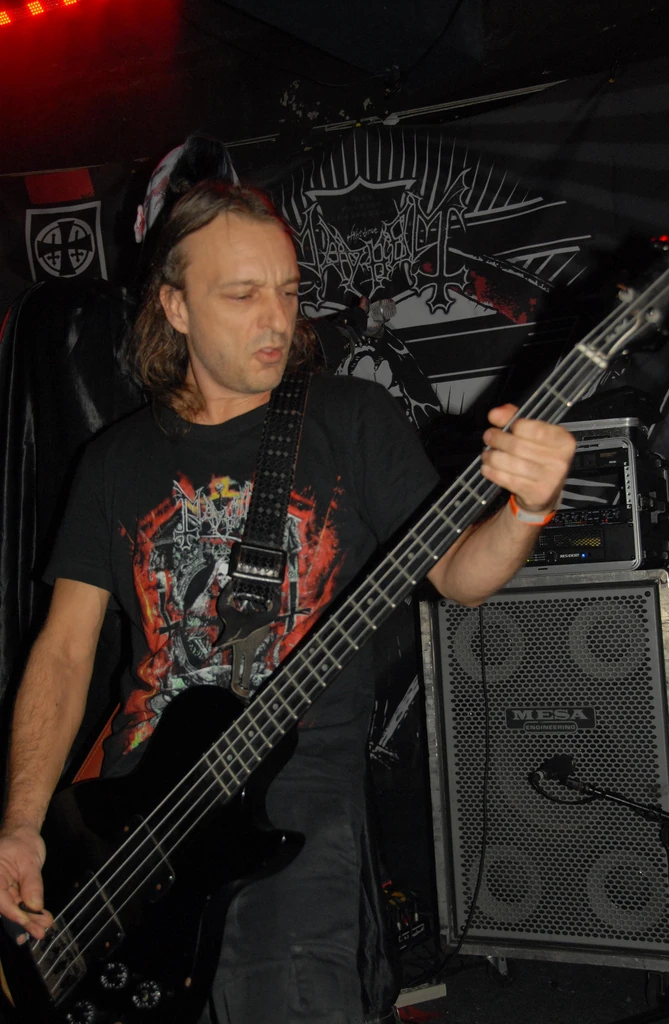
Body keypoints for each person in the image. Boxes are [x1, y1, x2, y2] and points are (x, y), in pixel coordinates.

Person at [0, 181, 575, 1023]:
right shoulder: (113, 461)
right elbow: (63, 650)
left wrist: (527, 508)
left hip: (291, 805)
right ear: (175, 306)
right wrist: (21, 824)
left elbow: (459, 574)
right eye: (242, 295)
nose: (276, 319)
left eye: (287, 290)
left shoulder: (348, 419)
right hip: (125, 823)